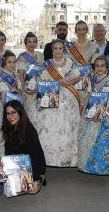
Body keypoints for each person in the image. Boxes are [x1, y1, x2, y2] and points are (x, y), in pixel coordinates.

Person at [77, 55, 109, 174]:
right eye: (97, 66)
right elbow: (89, 94)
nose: (100, 68)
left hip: (107, 110)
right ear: (94, 67)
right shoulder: (93, 78)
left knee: (107, 136)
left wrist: (99, 112)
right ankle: (87, 164)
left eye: (102, 66)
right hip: (92, 107)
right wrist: (82, 106)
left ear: (107, 68)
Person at [35, 39, 81, 167]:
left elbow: (78, 77)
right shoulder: (47, 64)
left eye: (60, 48)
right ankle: (49, 158)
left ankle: (67, 157)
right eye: (55, 48)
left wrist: (68, 82)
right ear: (52, 50)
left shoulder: (70, 63)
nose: (58, 51)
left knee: (68, 125)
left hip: (67, 95)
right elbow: (41, 79)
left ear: (64, 50)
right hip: (51, 96)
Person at [1, 100, 46, 193]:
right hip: (19, 163)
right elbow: (8, 152)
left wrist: (36, 179)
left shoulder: (29, 130)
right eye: (8, 114)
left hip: (33, 164)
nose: (11, 116)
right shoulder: (9, 128)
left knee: (30, 189)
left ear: (20, 113)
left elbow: (34, 155)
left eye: (14, 112)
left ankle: (40, 178)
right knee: (9, 188)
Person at [17, 32, 45, 122]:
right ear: (26, 43)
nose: (32, 44)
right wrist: (25, 88)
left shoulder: (40, 55)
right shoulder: (22, 57)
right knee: (27, 113)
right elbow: (20, 75)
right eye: (29, 42)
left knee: (38, 114)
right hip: (27, 87)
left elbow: (43, 71)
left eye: (34, 42)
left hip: (38, 86)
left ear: (36, 43)